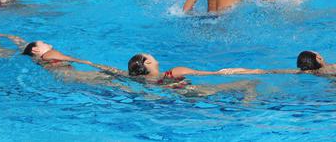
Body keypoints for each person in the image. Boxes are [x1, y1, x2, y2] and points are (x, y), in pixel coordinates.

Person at [85, 53, 258, 99]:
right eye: (149, 55)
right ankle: (249, 108)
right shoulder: (174, 72)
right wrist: (231, 70)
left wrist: (86, 63)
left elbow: (112, 71)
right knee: (248, 83)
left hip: (171, 97)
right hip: (194, 92)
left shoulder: (136, 79)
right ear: (147, 63)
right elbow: (213, 74)